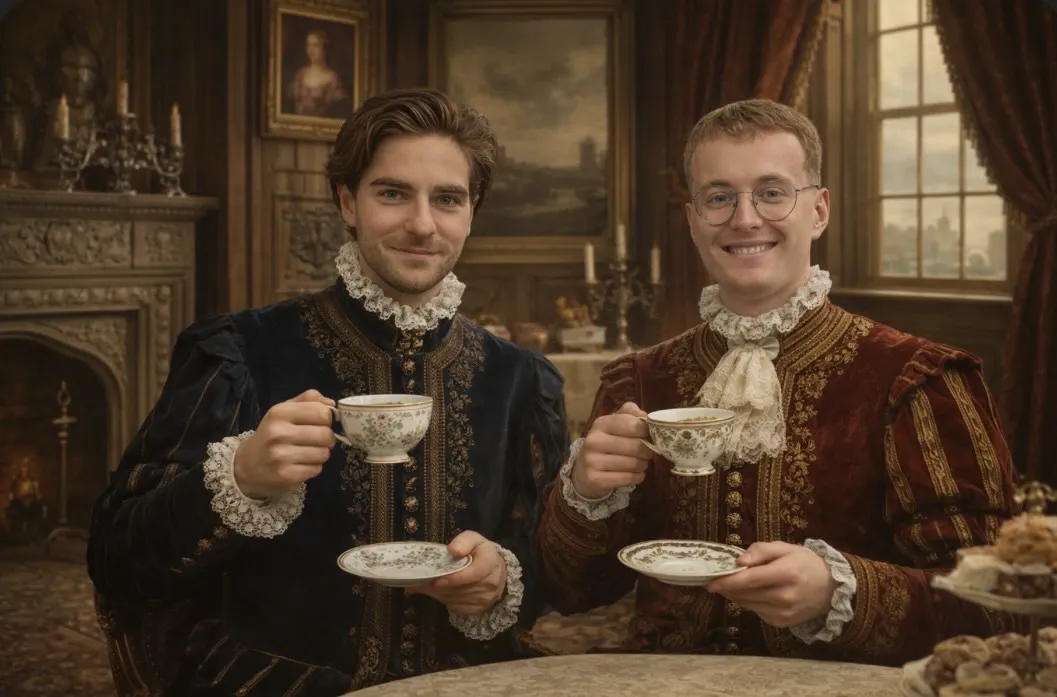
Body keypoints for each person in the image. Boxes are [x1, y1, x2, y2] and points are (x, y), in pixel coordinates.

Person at [87, 87, 569, 696]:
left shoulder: (521, 379)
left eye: (447, 199)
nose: (422, 224)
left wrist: (501, 581)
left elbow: (554, 569)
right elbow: (118, 560)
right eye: (392, 193)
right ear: (348, 202)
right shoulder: (239, 351)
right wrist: (239, 480)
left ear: (471, 210)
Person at [534, 98, 1022, 666]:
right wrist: (585, 496)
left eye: (772, 192)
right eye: (719, 197)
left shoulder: (918, 381)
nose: (744, 218)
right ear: (693, 222)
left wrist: (845, 593)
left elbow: (999, 604)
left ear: (818, 211)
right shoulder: (638, 379)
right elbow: (571, 594)